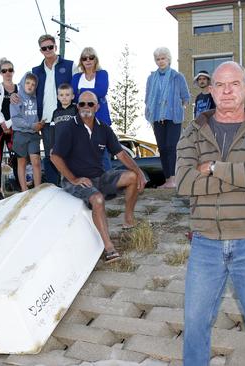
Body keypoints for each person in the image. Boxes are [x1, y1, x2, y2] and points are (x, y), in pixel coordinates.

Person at [176, 61, 245, 366]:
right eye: (220, 85)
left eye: (234, 84)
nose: (226, 91)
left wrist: (211, 168)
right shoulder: (192, 133)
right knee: (195, 326)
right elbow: (183, 183)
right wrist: (243, 171)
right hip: (205, 243)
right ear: (210, 90)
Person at [51, 91, 148, 263]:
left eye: (90, 104)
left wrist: (139, 172)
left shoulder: (104, 128)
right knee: (97, 199)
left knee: (132, 177)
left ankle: (128, 221)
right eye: (81, 104)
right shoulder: (69, 128)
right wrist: (73, 179)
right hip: (75, 180)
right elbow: (55, 156)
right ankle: (108, 247)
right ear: (77, 106)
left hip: (99, 177)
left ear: (97, 106)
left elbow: (121, 154)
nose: (85, 107)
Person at [144, 47, 190, 188]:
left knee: (172, 147)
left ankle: (174, 179)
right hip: (157, 117)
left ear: (168, 59)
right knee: (162, 148)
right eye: (158, 59)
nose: (160, 61)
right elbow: (147, 98)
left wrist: (177, 108)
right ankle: (168, 179)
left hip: (173, 117)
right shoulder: (151, 78)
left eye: (163, 58)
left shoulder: (177, 76)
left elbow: (185, 97)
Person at [32, 34, 73, 185]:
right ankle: (54, 190)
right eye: (44, 48)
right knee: (51, 156)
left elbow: (77, 88)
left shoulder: (69, 65)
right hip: (46, 120)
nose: (48, 50)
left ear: (55, 47)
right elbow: (28, 91)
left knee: (68, 153)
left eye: (50, 47)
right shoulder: (36, 71)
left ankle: (72, 187)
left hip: (66, 117)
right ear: (41, 50)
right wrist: (16, 95)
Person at [72, 47, 112, 170]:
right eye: (84, 58)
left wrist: (81, 92)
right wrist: (87, 95)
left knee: (103, 152)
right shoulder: (76, 77)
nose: (88, 60)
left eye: (91, 57)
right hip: (81, 119)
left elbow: (101, 91)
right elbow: (73, 95)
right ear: (81, 61)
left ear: (95, 60)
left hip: (100, 117)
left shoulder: (102, 74)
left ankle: (108, 181)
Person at [0, 57, 20, 199]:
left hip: (13, 125)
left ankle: (20, 184)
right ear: (0, 72)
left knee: (17, 156)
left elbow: (21, 109)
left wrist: (9, 124)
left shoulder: (19, 88)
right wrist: (3, 123)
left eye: (10, 70)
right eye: (4, 70)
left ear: (13, 71)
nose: (7, 73)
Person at [11, 72, 44, 192]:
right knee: (22, 162)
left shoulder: (37, 98)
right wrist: (31, 125)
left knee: (36, 161)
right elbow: (15, 120)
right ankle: (24, 190)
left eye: (33, 84)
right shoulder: (16, 98)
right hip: (20, 134)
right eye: (28, 83)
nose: (30, 86)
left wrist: (41, 123)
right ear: (22, 83)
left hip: (34, 134)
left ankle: (37, 189)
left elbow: (41, 114)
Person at [51, 83, 78, 147]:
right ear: (58, 97)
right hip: (58, 146)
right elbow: (52, 131)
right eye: (61, 95)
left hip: (73, 145)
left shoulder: (76, 110)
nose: (64, 97)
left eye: (67, 95)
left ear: (72, 96)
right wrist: (52, 146)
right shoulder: (55, 112)